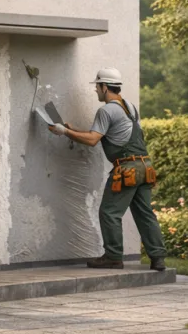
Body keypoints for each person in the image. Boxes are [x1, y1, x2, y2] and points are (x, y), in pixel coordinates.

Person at [49, 68, 167, 271]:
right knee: (145, 213)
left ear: (105, 87)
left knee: (109, 212)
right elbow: (105, 134)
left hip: (127, 169)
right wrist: (73, 129)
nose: (95, 90)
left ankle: (113, 257)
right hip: (144, 166)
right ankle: (158, 258)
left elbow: (92, 140)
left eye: (97, 86)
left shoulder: (105, 111)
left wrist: (65, 131)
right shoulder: (130, 107)